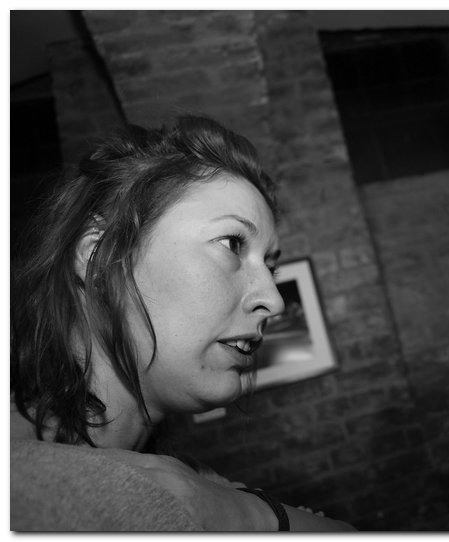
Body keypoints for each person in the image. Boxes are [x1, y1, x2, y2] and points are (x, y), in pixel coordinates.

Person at [10, 115, 356, 531]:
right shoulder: (20, 487)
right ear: (99, 255)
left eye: (270, 266)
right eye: (232, 243)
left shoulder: (189, 481)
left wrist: (232, 508)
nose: (275, 300)